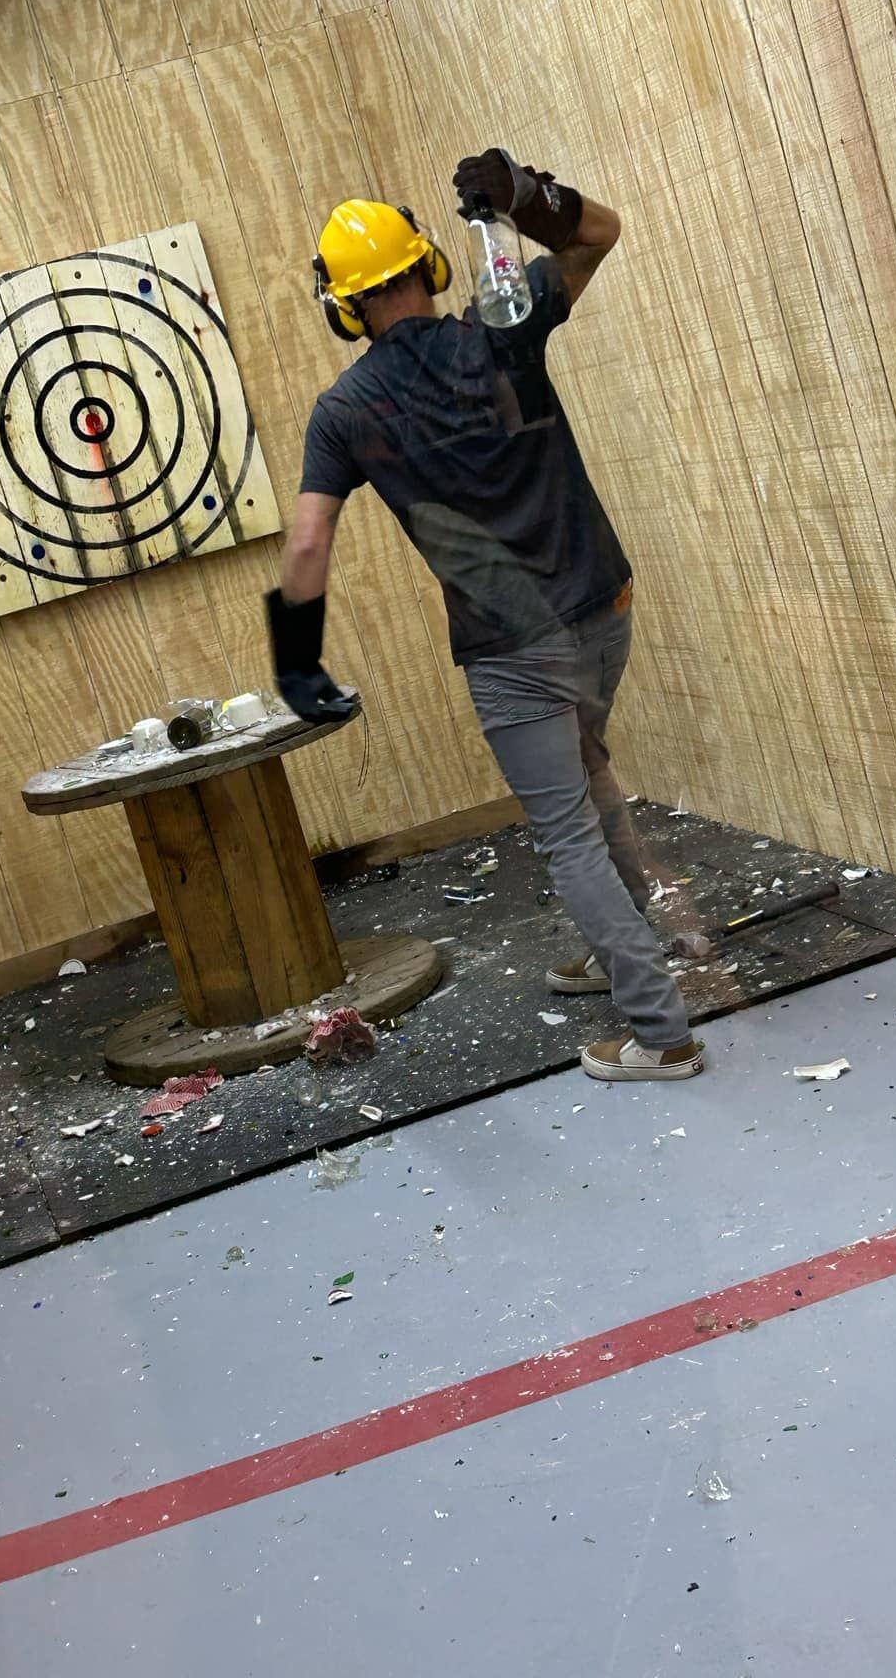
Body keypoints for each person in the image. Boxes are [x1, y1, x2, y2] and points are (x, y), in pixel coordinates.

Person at [265, 148, 704, 1083]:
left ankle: (660, 1034)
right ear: (429, 264)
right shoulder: (500, 332)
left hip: (514, 648)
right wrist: (528, 200)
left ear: (343, 308)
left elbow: (305, 547)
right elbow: (600, 233)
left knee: (565, 829)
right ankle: (629, 944)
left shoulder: (342, 412)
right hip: (604, 605)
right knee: (590, 771)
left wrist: (296, 664)